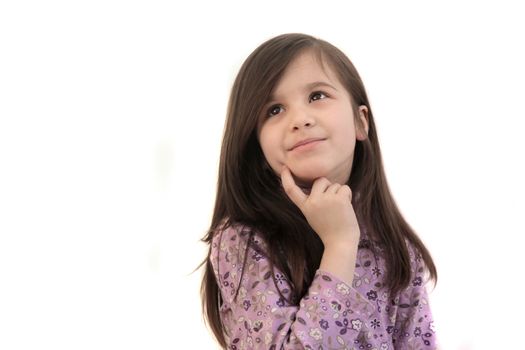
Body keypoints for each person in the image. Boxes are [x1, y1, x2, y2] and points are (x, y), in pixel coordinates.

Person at [199, 33, 438, 349]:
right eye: (274, 110)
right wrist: (339, 244)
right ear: (255, 147)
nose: (300, 119)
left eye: (317, 96)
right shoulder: (243, 242)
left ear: (360, 122)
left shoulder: (397, 249)